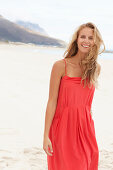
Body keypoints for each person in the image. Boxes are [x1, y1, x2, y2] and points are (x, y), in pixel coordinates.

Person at [43, 22, 105, 170]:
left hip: (85, 127)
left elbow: (88, 104)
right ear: (76, 39)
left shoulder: (95, 68)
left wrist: (87, 123)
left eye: (91, 38)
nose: (86, 41)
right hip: (62, 127)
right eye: (83, 36)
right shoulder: (60, 66)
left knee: (87, 162)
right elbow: (52, 102)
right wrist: (45, 135)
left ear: (95, 42)